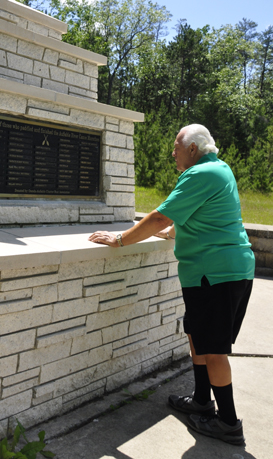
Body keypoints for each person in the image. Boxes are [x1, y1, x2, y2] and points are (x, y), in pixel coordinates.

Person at [89, 124, 255, 447]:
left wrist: (120, 239)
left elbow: (159, 217)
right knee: (196, 333)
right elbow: (201, 217)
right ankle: (202, 400)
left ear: (192, 149)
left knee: (216, 351)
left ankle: (229, 422)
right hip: (215, 273)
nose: (173, 153)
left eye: (176, 147)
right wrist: (171, 235)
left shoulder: (201, 174)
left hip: (217, 275)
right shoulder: (220, 170)